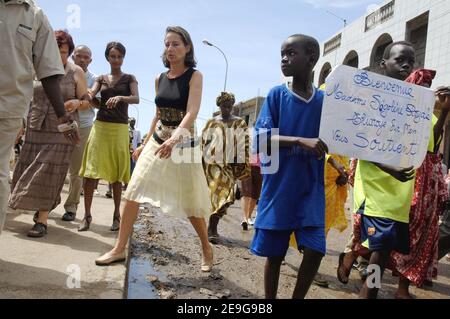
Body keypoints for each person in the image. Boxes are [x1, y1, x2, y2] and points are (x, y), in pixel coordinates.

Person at [95, 26, 214, 273]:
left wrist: (174, 140)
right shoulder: (159, 78)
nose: (170, 49)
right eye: (167, 44)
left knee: (190, 201)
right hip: (158, 140)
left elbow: (192, 112)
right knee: (133, 191)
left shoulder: (195, 76)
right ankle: (119, 249)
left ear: (187, 48)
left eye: (176, 44)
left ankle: (205, 247)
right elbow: (157, 115)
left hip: (183, 145)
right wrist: (144, 143)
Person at [336, 41, 421, 299]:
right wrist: (388, 167)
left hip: (400, 189)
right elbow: (357, 140)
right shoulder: (368, 98)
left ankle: (361, 276)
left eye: (411, 60)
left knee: (384, 248)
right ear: (384, 64)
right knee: (380, 246)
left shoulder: (414, 101)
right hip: (375, 187)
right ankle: (368, 291)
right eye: (400, 60)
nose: (407, 65)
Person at [251, 34, 329, 299]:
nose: (284, 59)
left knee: (316, 249)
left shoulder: (325, 102)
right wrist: (299, 140)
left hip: (311, 187)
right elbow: (261, 140)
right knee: (275, 256)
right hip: (280, 187)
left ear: (311, 58)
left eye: (291, 53)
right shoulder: (277, 95)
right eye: (282, 55)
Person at [0, 0, 79, 236]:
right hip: (33, 123)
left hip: (9, 107)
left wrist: (64, 117)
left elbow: (48, 71)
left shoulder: (35, 16)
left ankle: (42, 218)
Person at [9, 30, 88, 237]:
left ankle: (42, 219)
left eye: (63, 51)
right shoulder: (34, 69)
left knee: (50, 172)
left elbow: (88, 101)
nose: (59, 55)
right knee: (26, 169)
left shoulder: (76, 71)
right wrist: (20, 123)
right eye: (55, 50)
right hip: (36, 126)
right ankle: (36, 209)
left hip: (63, 131)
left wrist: (78, 103)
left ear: (69, 52)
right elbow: (26, 98)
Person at [390, 69, 450, 298]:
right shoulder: (398, 112)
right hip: (400, 180)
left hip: (425, 185)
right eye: (421, 85)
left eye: (428, 87)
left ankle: (402, 287)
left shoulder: (432, 117)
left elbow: (433, 149)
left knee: (418, 232)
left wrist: (443, 112)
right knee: (388, 232)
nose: (425, 90)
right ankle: (355, 258)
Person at [79, 42, 139, 232]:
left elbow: (136, 98)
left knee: (116, 175)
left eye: (119, 56)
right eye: (113, 56)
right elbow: (92, 94)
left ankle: (116, 216)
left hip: (119, 129)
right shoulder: (102, 79)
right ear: (107, 58)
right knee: (89, 172)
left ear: (123, 58)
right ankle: (86, 216)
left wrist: (121, 98)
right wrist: (88, 96)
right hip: (101, 127)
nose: (116, 59)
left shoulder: (130, 78)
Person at [202, 92, 250, 243]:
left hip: (230, 164)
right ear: (219, 106)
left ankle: (211, 226)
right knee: (216, 194)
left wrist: (240, 160)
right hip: (212, 164)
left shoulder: (239, 122)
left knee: (227, 195)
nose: (227, 109)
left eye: (230, 106)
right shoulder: (212, 122)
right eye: (224, 106)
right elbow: (204, 142)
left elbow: (244, 142)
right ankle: (212, 228)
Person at [62, 45, 98, 222]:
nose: (82, 59)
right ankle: (47, 203)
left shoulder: (94, 80)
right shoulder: (63, 73)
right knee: (56, 165)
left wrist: (80, 102)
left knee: (76, 170)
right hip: (62, 124)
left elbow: (92, 102)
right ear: (72, 56)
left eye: (86, 57)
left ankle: (71, 207)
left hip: (83, 127)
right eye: (79, 56)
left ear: (90, 60)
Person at [240, 151, 262, 230]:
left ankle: (248, 216)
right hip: (247, 165)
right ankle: (245, 218)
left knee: (255, 194)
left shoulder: (265, 138)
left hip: (260, 167)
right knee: (246, 192)